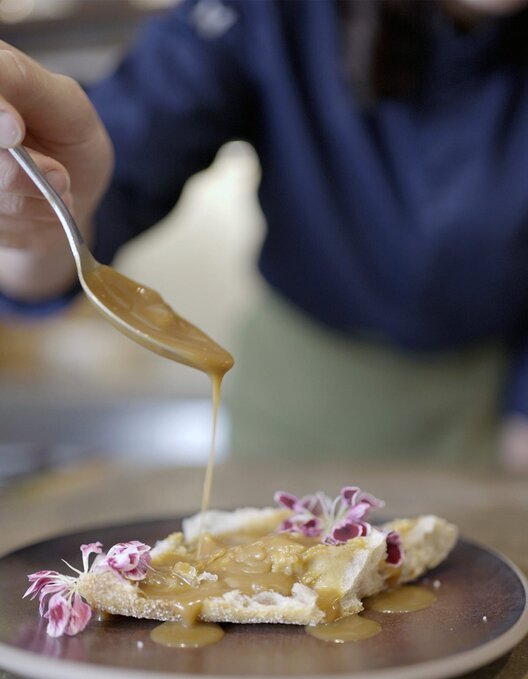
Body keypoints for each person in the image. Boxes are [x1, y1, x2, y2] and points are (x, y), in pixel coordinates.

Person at [0, 0, 527, 468]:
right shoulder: (266, 12)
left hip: (492, 407)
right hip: (298, 406)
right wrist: (37, 225)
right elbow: (115, 174)